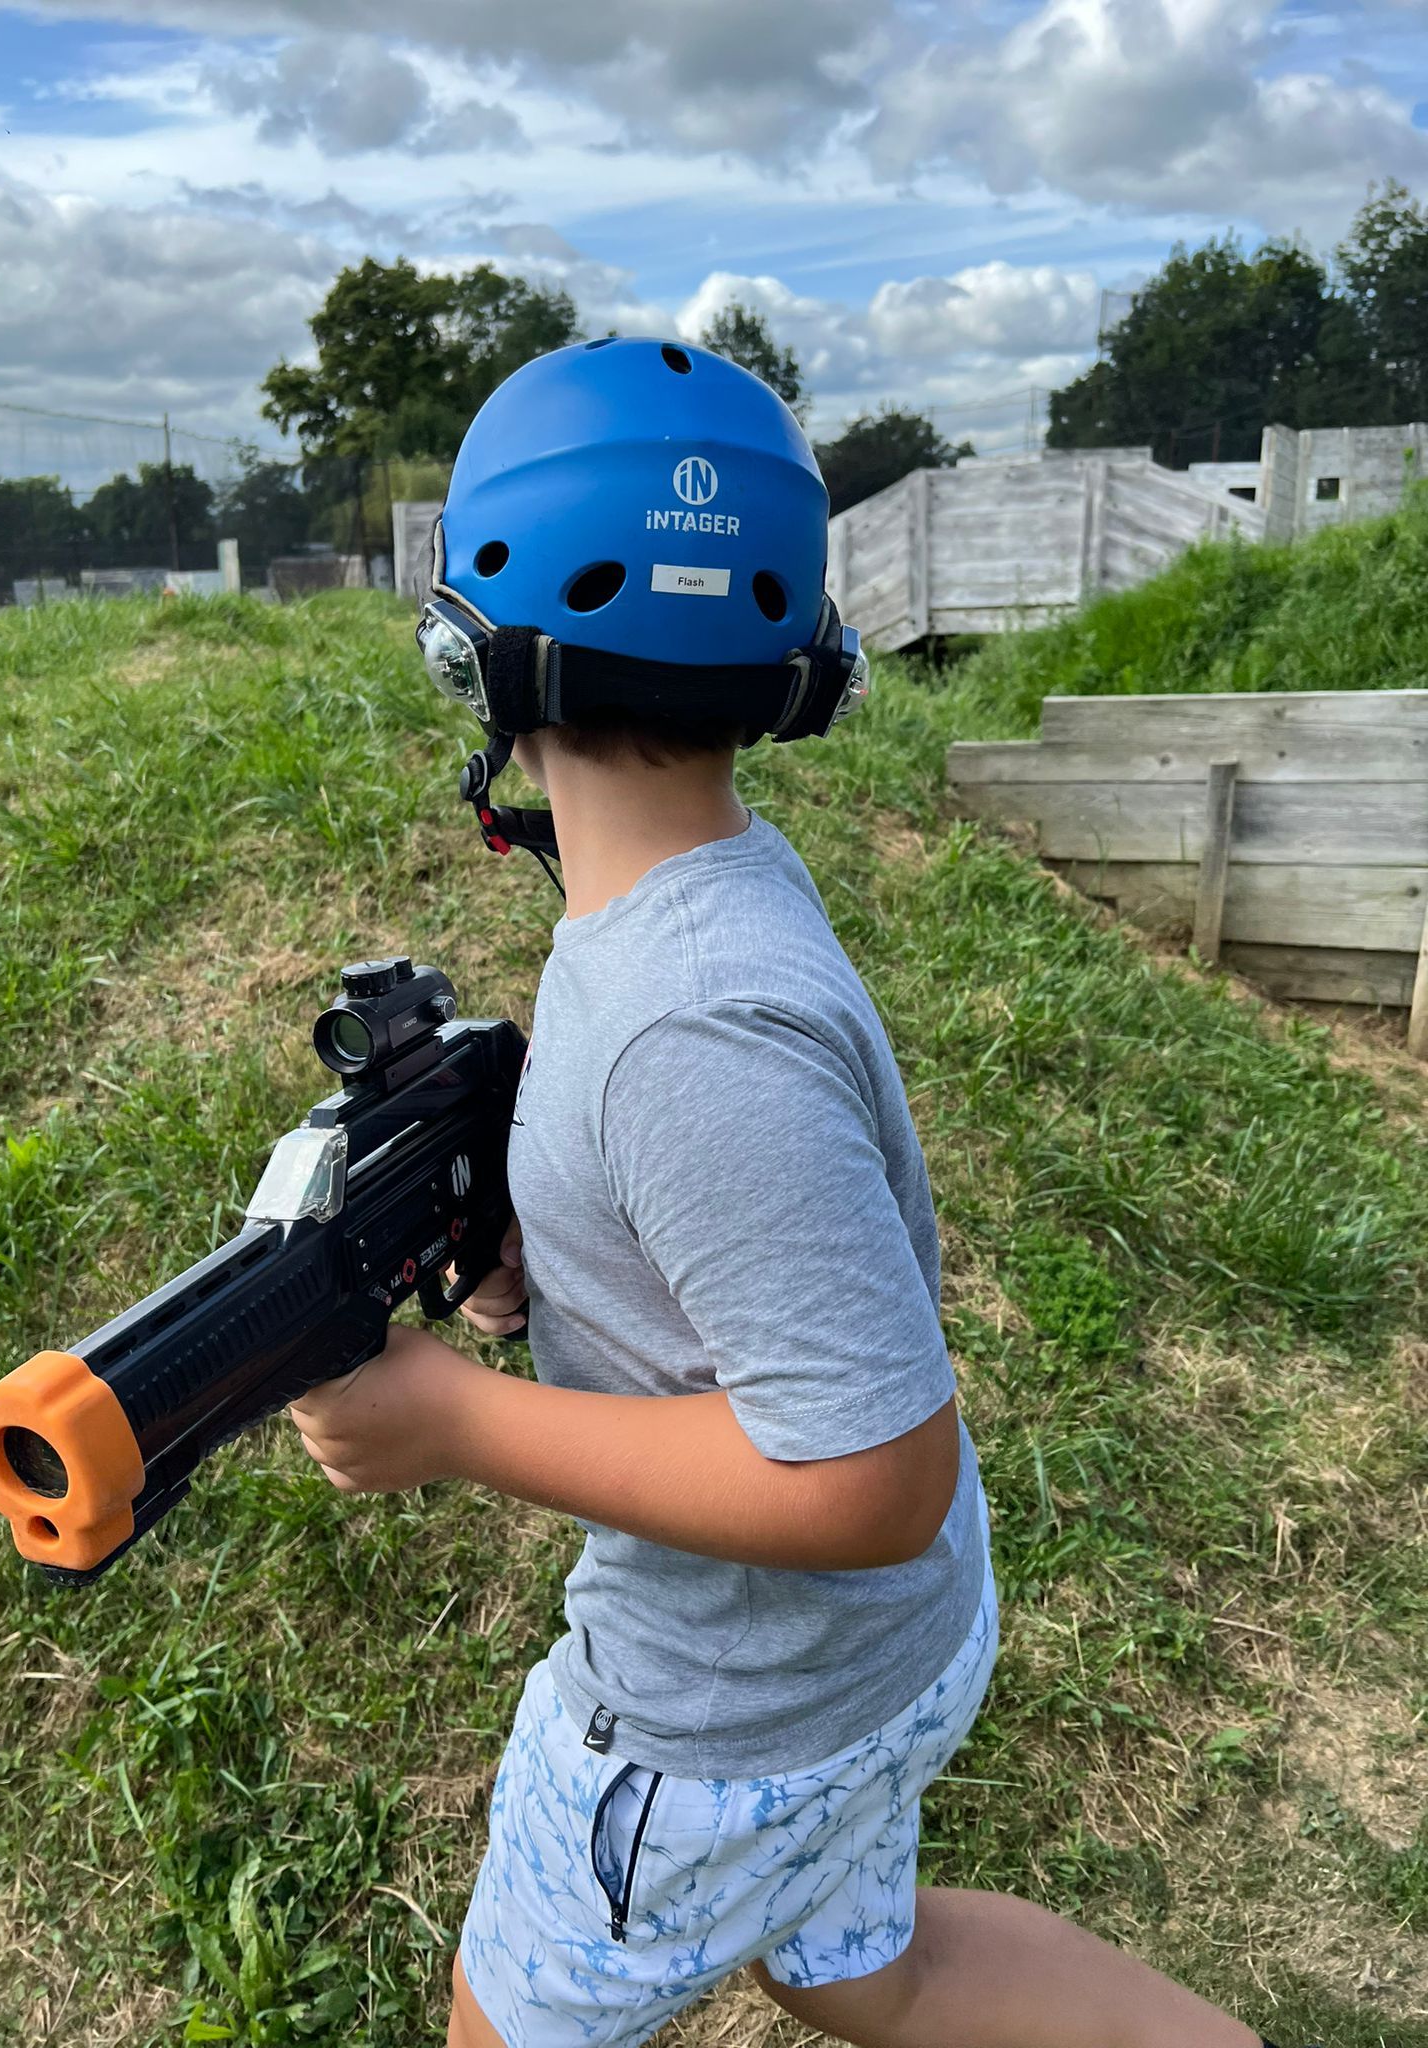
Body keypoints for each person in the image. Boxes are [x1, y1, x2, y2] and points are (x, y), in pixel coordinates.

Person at [288, 338, 1298, 2048]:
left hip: (721, 1719)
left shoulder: (684, 1024)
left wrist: (454, 1420)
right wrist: (544, 1261)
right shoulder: (706, 898)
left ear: (469, 650)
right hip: (881, 1663)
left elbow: (872, 1479)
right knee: (866, 1975)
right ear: (798, 658)